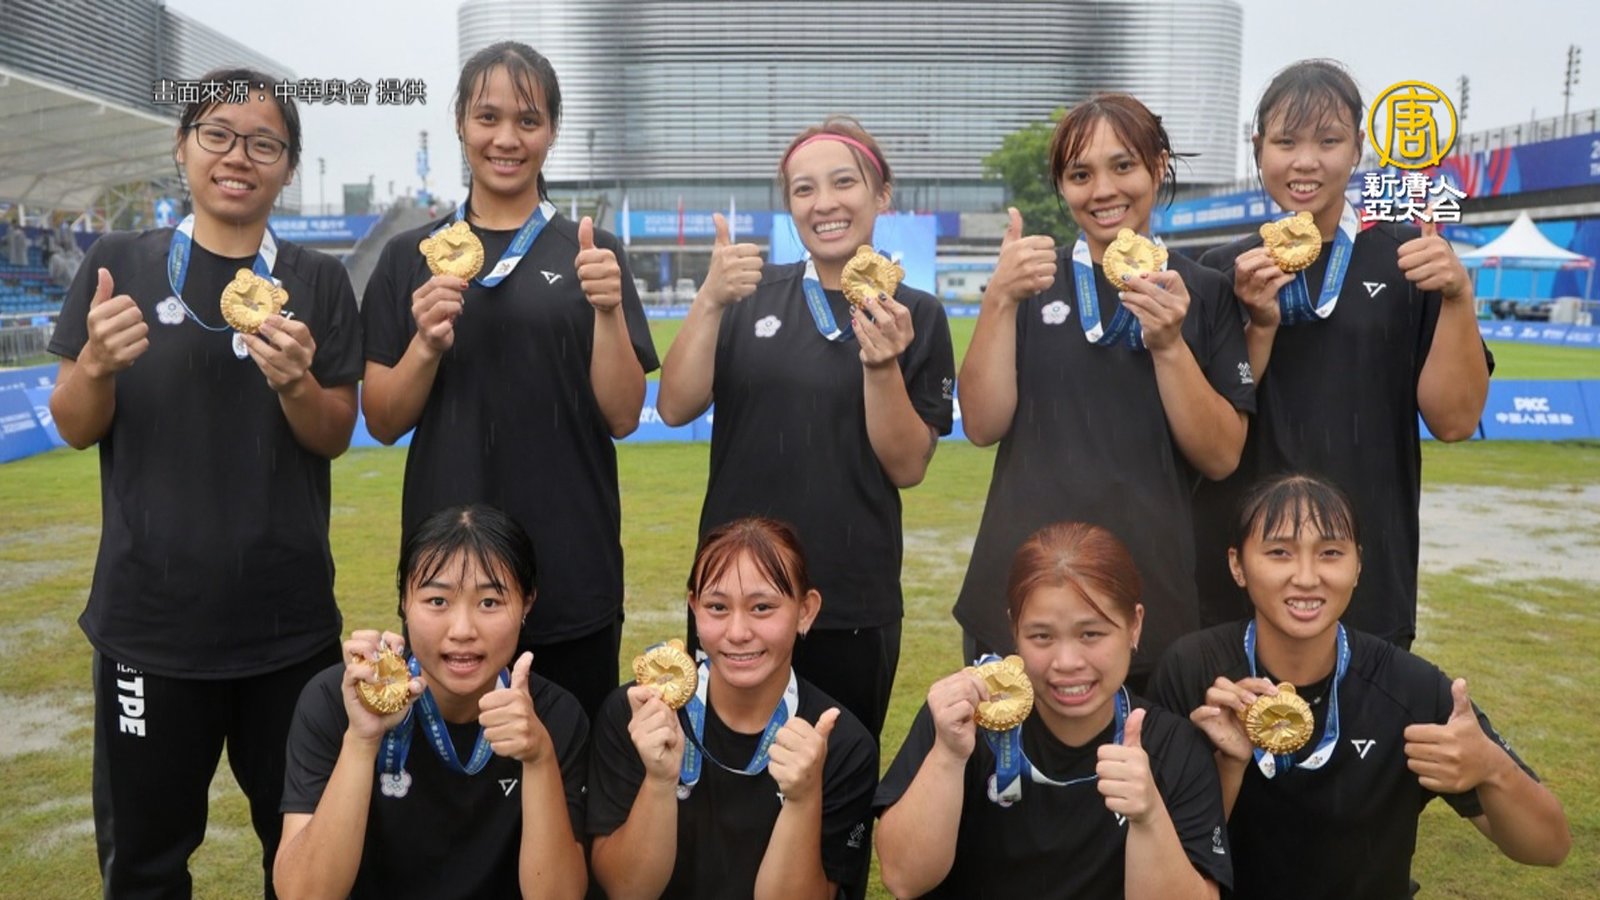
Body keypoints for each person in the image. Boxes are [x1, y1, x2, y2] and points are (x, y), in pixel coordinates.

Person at [46, 67, 362, 897]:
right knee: (144, 866)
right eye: (217, 134)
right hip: (149, 628)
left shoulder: (318, 282)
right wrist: (96, 364)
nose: (238, 156)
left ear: (288, 167)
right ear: (182, 147)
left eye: (264, 144)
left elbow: (334, 433)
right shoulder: (118, 263)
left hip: (288, 628)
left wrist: (296, 384)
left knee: (303, 861)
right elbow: (74, 423)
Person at [361, 41, 657, 719]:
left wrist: (607, 310)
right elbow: (381, 420)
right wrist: (426, 344)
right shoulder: (410, 257)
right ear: (460, 124)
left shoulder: (592, 252)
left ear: (551, 131)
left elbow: (622, 415)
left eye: (528, 120)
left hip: (570, 566)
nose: (506, 138)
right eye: (487, 117)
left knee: (570, 765)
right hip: (448, 580)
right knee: (448, 774)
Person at [656, 116, 955, 742]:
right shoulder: (747, 295)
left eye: (843, 183)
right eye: (803, 189)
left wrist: (882, 365)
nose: (824, 203)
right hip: (736, 597)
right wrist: (708, 300)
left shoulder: (916, 314)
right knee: (722, 774)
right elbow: (676, 406)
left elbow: (907, 466)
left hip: (851, 596)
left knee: (836, 773)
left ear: (880, 195)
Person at [954, 93, 1255, 692]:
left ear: (1158, 167)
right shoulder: (1032, 282)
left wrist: (1169, 345)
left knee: (1138, 754)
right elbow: (982, 425)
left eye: (1123, 166)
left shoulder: (1203, 292)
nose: (1103, 191)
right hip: (1020, 594)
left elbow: (1222, 456)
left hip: (1147, 599)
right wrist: (1000, 299)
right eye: (1080, 175)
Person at [1151, 473, 1570, 898]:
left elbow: (1549, 847)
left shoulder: (1409, 689)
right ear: (1237, 565)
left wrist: (1492, 767)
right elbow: (1157, 866)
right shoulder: (1195, 673)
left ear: (1358, 566)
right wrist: (1227, 768)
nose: (1306, 577)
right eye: (1279, 552)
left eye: (1330, 553)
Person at [1191, 59, 1492, 641]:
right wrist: (1254, 321)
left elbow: (1455, 421)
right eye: (1286, 142)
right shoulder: (1223, 269)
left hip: (1367, 565)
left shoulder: (1410, 259)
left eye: (1328, 141)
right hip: (1240, 566)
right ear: (1258, 149)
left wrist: (1457, 297)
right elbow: (1208, 435)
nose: (1306, 161)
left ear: (1358, 148)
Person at [876, 522, 1231, 899]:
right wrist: (948, 756)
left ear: (1134, 626)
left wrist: (1149, 816)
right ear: (1014, 630)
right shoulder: (962, 721)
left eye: (1091, 634)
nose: (1066, 662)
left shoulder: (1173, 748)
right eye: (1042, 636)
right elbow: (903, 879)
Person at [274, 504, 589, 900]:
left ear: (527, 603)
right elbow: (304, 894)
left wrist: (540, 758)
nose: (462, 630)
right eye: (437, 601)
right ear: (404, 602)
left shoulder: (555, 717)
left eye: (489, 602)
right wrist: (361, 741)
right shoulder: (336, 701)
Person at [587, 517, 878, 900]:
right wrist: (658, 781)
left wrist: (803, 799)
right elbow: (626, 891)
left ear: (805, 611)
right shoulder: (637, 715)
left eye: (762, 607)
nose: (738, 632)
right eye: (717, 607)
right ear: (694, 607)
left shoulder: (841, 743)